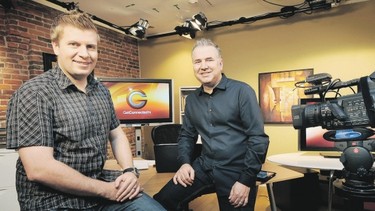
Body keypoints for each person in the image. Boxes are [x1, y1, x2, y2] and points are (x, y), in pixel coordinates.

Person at [6, 11, 165, 211]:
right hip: (53, 200)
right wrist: (105, 190)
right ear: (56, 46)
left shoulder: (101, 91)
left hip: (99, 186)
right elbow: (39, 169)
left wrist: (129, 171)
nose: (84, 53)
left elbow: (116, 136)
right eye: (74, 44)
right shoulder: (34, 93)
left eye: (91, 47)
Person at [154, 38, 270, 211]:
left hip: (236, 172)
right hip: (204, 167)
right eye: (197, 61)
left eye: (209, 60)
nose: (203, 66)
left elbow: (258, 139)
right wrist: (185, 163)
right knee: (161, 201)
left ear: (220, 64)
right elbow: (187, 135)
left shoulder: (242, 92)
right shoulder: (192, 100)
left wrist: (246, 180)